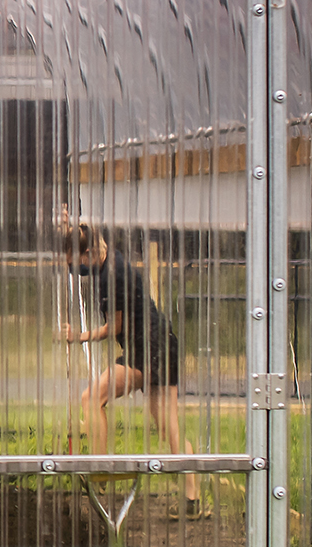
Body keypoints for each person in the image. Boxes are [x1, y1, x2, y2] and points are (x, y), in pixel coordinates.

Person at [55, 208, 208, 518]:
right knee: (168, 427)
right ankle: (192, 499)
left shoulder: (109, 278)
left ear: (85, 254)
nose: (72, 268)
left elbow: (116, 328)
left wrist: (78, 337)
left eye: (73, 262)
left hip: (147, 348)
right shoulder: (112, 259)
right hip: (164, 342)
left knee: (92, 398)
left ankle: (99, 471)